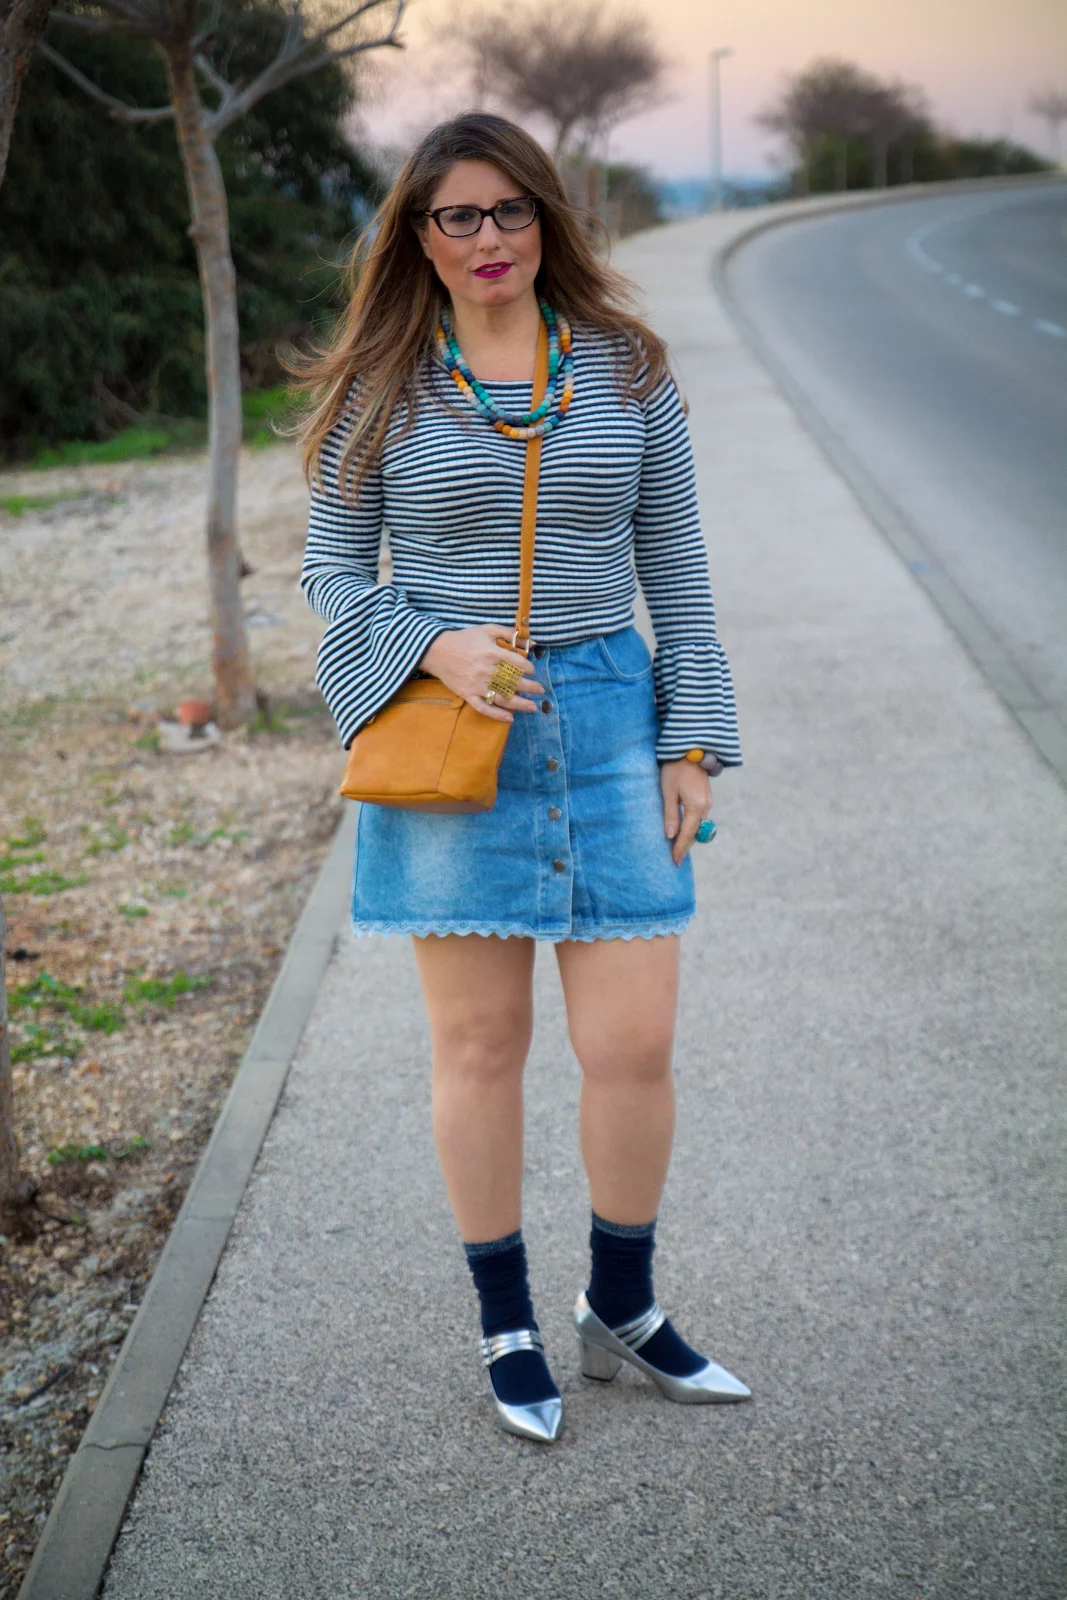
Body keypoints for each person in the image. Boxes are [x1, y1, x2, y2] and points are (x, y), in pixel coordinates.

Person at [295, 112, 750, 1443]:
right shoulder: (379, 387)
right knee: (481, 1047)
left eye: (511, 210)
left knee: (634, 1044)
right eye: (458, 215)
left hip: (608, 719)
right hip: (456, 726)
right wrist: (430, 642)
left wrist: (691, 742)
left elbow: (678, 567)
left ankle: (623, 1307)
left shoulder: (625, 367)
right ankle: (506, 1323)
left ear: (547, 220)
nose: (487, 237)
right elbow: (329, 569)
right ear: (418, 236)